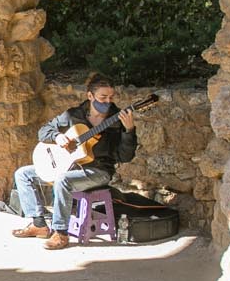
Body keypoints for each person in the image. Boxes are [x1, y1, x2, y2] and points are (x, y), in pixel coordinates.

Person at [11, 73, 138, 250]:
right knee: (23, 174)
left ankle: (61, 233)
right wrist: (57, 137)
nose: (108, 102)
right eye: (103, 97)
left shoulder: (116, 121)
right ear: (90, 96)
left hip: (98, 171)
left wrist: (129, 131)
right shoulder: (74, 115)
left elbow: (125, 157)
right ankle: (39, 224)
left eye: (111, 97)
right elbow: (44, 131)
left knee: (63, 180)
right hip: (70, 166)